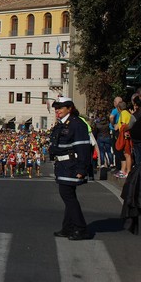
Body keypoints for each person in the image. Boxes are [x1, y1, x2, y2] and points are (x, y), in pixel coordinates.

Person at [49, 97, 92, 240]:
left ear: (70, 108)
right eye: (56, 108)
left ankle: (81, 228)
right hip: (62, 165)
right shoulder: (62, 124)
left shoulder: (77, 124)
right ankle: (68, 228)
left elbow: (83, 147)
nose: (57, 110)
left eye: (61, 107)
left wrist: (82, 169)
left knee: (67, 196)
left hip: (71, 165)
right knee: (69, 196)